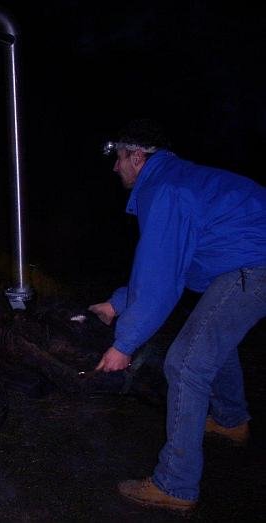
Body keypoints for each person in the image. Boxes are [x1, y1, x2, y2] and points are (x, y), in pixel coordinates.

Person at [88, 118, 266, 512]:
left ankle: (175, 485)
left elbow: (160, 277)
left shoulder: (165, 189)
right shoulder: (176, 180)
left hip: (254, 268)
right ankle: (231, 420)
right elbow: (165, 263)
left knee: (185, 364)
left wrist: (124, 345)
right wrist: (117, 303)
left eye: (120, 158)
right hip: (247, 263)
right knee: (211, 337)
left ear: (138, 157)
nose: (115, 167)